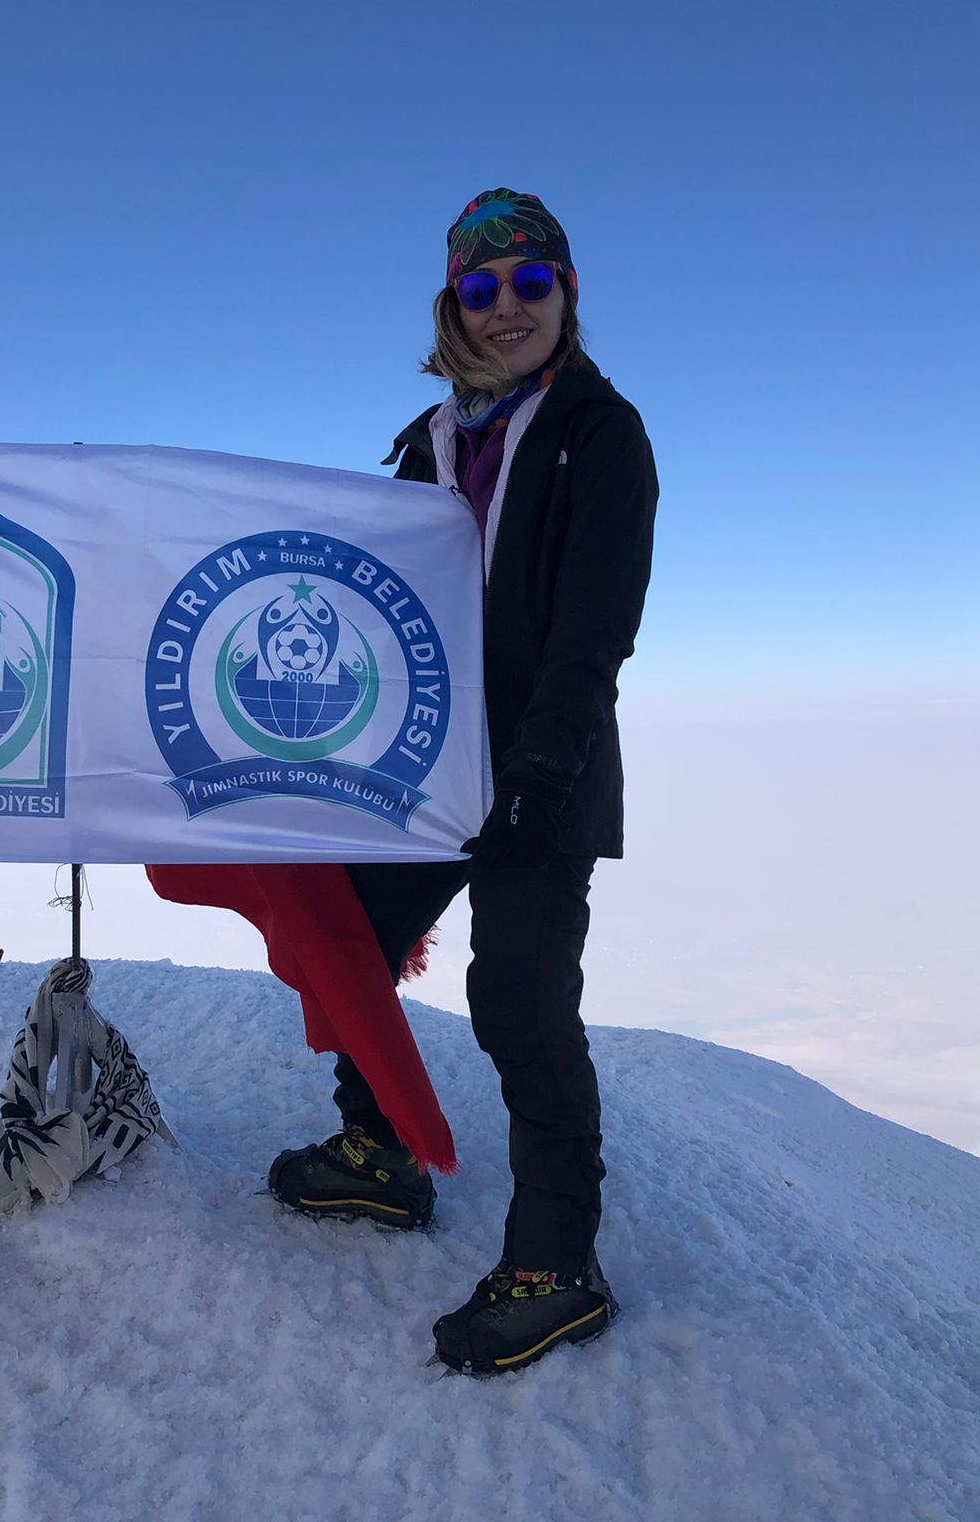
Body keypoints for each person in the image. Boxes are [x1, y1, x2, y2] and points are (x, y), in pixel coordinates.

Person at [268, 188, 659, 1376]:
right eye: (481, 290)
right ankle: (377, 1149)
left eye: (530, 285)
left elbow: (593, 632)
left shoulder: (599, 433)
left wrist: (536, 772)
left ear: (566, 297)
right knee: (350, 935)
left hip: (545, 767)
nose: (506, 310)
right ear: (453, 304)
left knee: (520, 1000)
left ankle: (556, 1258)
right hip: (419, 765)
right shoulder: (426, 442)